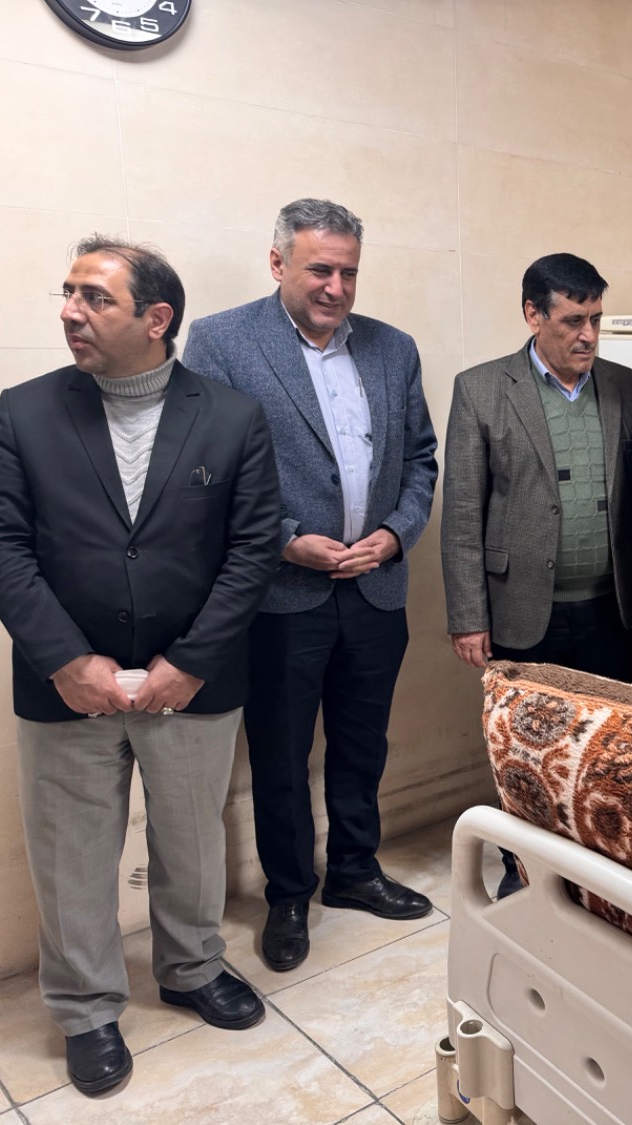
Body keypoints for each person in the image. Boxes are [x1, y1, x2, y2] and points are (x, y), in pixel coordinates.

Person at [0, 236, 282, 1094]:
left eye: (95, 297)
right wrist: (65, 660)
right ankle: (84, 1007)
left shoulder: (232, 416)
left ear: (157, 319)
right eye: (68, 292)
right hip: (66, 686)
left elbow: (253, 548)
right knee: (71, 852)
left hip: (194, 682)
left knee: (192, 840)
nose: (70, 311)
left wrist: (190, 661)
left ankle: (191, 967)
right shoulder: (25, 411)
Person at [182, 199, 438, 973]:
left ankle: (355, 869)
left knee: (362, 743)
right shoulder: (223, 342)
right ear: (278, 263)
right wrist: (286, 539)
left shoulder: (393, 348)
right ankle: (289, 892)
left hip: (376, 588)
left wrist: (396, 532)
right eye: (320, 268)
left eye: (348, 271)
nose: (336, 286)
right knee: (282, 755)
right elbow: (205, 471)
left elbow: (420, 458)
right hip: (279, 596)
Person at [441, 252, 632, 896]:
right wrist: (468, 618)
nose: (588, 335)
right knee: (528, 752)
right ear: (533, 315)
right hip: (522, 609)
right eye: (572, 321)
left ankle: (597, 875)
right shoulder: (482, 388)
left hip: (607, 606)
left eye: (596, 320)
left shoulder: (625, 386)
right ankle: (525, 872)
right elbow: (462, 513)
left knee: (604, 746)